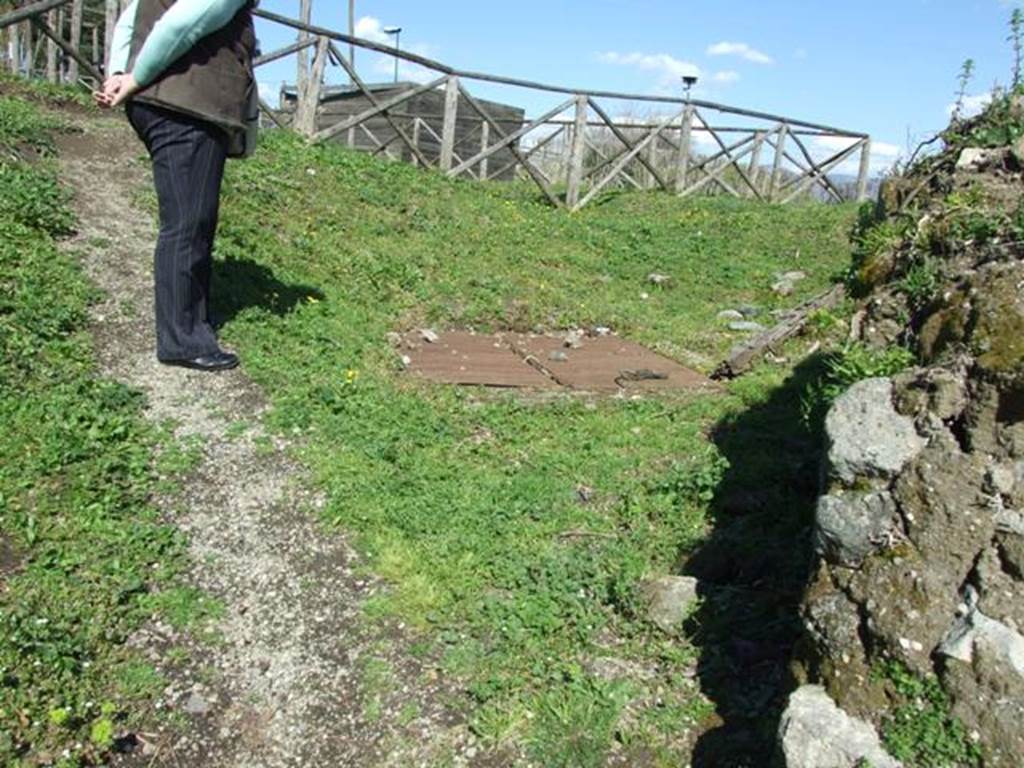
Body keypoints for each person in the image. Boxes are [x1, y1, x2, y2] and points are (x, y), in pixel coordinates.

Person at [96, 0, 257, 371]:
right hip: (184, 106)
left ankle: (187, 324)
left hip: (165, 102)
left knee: (189, 219)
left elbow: (128, 22)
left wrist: (120, 72)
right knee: (189, 222)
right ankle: (182, 340)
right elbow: (185, 22)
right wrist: (135, 79)